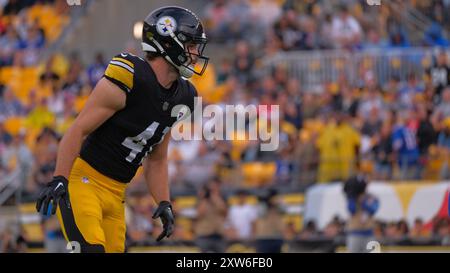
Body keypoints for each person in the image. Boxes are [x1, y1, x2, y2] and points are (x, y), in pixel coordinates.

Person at [35, 6, 209, 253]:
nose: (195, 53)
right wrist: (60, 178)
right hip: (83, 181)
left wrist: (164, 201)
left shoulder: (184, 97)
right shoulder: (131, 75)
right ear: (169, 43)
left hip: (117, 194)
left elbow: (157, 159)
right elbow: (78, 129)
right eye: (191, 45)